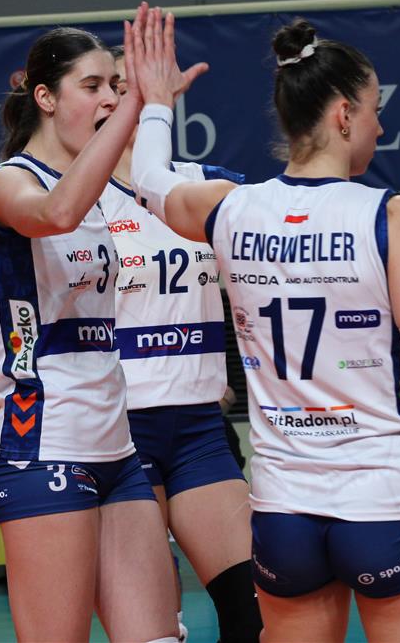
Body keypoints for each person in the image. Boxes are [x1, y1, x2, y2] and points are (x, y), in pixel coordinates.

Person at [126, 11, 400, 640]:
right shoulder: (390, 216)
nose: (380, 126)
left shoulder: (229, 209)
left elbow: (148, 181)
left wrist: (156, 104)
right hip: (383, 503)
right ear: (342, 115)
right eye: (374, 110)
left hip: (282, 512)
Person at [0, 5, 202, 641]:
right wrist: (138, 105)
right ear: (45, 98)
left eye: (116, 86)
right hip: (43, 446)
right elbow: (56, 212)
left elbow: (143, 182)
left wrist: (155, 110)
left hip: (116, 448)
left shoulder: (100, 190)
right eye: (94, 86)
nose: (109, 99)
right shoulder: (7, 183)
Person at [102, 48, 262, 642]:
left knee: (256, 616)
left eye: (139, 82)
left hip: (199, 427)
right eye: (114, 84)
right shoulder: (73, 200)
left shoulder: (202, 184)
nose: (124, 95)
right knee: (153, 628)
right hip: (118, 432)